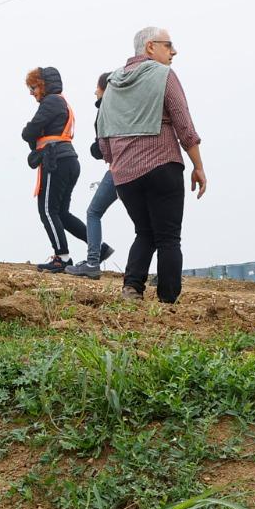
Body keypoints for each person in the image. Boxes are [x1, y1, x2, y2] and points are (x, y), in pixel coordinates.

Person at [97, 26, 206, 303]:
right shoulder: (163, 75)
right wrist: (198, 166)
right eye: (168, 45)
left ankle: (132, 288)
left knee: (144, 231)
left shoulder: (112, 83)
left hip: (125, 174)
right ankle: (168, 301)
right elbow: (183, 123)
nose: (174, 51)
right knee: (169, 237)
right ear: (150, 48)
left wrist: (116, 162)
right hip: (162, 164)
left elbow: (102, 133)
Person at [21, 66, 86, 272]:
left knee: (48, 210)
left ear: (42, 85)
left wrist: (29, 130)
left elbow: (29, 132)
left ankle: (62, 257)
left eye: (33, 88)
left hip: (56, 160)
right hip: (69, 159)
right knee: (62, 213)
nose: (31, 93)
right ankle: (99, 247)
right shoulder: (62, 102)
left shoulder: (51, 101)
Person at [68, 72, 119, 279]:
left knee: (93, 212)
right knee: (144, 220)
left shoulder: (106, 109)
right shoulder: (127, 106)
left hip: (119, 168)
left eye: (97, 87)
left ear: (105, 89)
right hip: (140, 166)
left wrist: (94, 149)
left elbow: (103, 147)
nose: (95, 91)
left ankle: (92, 262)